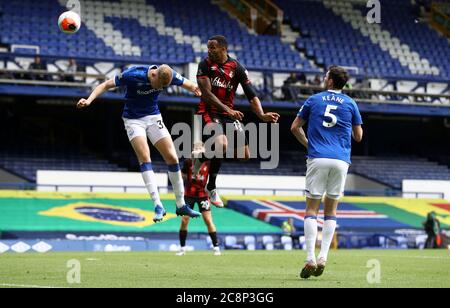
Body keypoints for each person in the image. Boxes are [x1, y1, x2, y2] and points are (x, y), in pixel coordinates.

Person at [76, 64, 203, 221]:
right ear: (154, 75)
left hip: (153, 117)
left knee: (173, 158)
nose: (161, 88)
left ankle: (181, 205)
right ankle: (158, 205)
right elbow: (106, 84)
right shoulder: (132, 74)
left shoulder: (169, 75)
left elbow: (190, 85)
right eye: (160, 86)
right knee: (145, 158)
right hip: (133, 120)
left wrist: (199, 91)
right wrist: (89, 100)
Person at [291, 65, 363, 279]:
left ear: (330, 81)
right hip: (341, 160)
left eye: (325, 76)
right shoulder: (351, 103)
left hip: (317, 157)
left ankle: (310, 258)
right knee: (331, 210)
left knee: (311, 209)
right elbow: (358, 136)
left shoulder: (314, 100)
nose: (324, 79)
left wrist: (310, 145)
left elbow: (295, 127)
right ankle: (323, 257)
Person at [193, 35, 280, 207]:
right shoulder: (204, 65)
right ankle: (211, 187)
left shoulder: (237, 68)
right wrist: (228, 110)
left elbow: (251, 95)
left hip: (228, 114)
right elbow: (207, 94)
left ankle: (201, 156)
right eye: (208, 47)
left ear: (224, 49)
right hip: (209, 111)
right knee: (222, 144)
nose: (209, 50)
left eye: (213, 47)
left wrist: (262, 115)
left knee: (244, 155)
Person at [177, 143, 221, 256]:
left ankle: (216, 247)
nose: (197, 150)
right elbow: (182, 175)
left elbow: (212, 176)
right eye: (195, 148)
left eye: (199, 148)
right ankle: (182, 248)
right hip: (188, 195)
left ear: (204, 150)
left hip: (203, 195)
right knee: (184, 220)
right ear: (192, 150)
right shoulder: (188, 162)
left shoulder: (209, 163)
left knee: (208, 220)